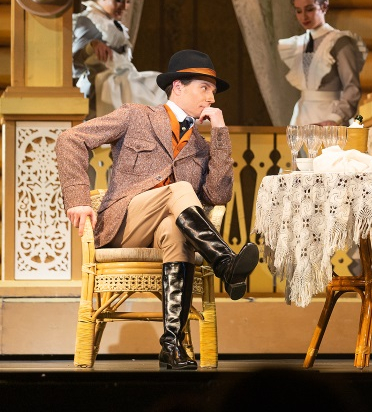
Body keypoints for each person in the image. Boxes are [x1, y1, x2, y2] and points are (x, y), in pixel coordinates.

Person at [56, 50, 259, 371]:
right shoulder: (136, 116)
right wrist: (78, 198)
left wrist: (220, 133)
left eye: (213, 91)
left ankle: (172, 346)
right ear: (178, 86)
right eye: (204, 88)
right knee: (180, 189)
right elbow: (70, 139)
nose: (211, 97)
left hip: (166, 229)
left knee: (177, 233)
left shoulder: (201, 145)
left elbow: (218, 195)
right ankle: (223, 261)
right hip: (125, 223)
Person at [72, 0, 166, 118]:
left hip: (126, 79)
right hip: (103, 86)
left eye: (128, 1)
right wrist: (92, 45)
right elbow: (74, 63)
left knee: (161, 84)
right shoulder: (89, 20)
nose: (124, 7)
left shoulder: (113, 24)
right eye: (119, 0)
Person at [278, 0, 367, 126]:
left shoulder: (339, 41)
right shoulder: (299, 43)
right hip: (302, 117)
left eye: (310, 9)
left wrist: (335, 118)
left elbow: (352, 87)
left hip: (329, 117)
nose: (304, 16)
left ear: (324, 7)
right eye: (298, 11)